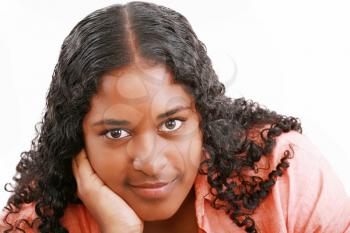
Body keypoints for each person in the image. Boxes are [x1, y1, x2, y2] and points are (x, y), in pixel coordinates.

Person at [1, 1, 349, 233]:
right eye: (116, 133)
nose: (150, 162)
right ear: (77, 137)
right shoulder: (39, 220)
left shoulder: (282, 175)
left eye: (172, 123)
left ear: (205, 119)